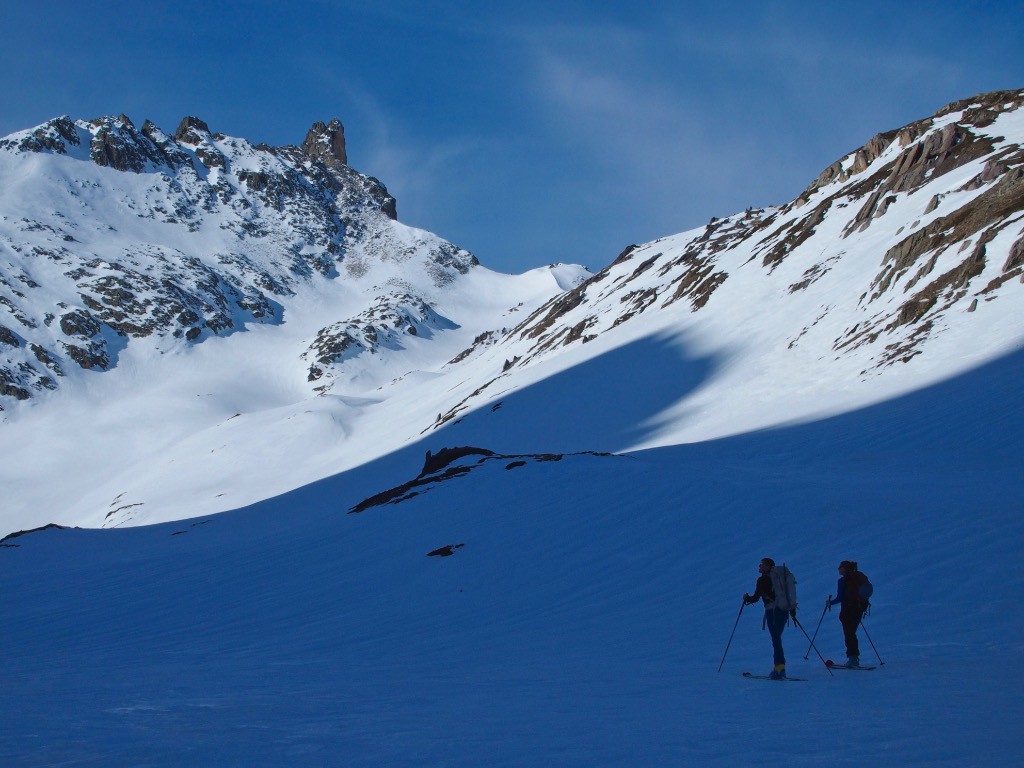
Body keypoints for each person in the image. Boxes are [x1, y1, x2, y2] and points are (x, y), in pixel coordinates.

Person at [744, 557, 795, 679]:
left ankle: (779, 669)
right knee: (777, 639)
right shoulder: (779, 578)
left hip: (772, 611)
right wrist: (792, 611)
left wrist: (747, 598)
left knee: (776, 640)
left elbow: (755, 598)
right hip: (784, 610)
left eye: (762, 565)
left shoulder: (762, 580)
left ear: (767, 567)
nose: (759, 567)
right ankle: (779, 668)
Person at [827, 560, 869, 666]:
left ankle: (853, 658)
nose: (838, 569)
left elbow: (840, 597)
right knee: (852, 633)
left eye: (840, 567)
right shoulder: (858, 577)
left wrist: (830, 603)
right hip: (859, 608)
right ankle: (854, 658)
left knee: (849, 634)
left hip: (848, 610)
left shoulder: (842, 581)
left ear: (844, 568)